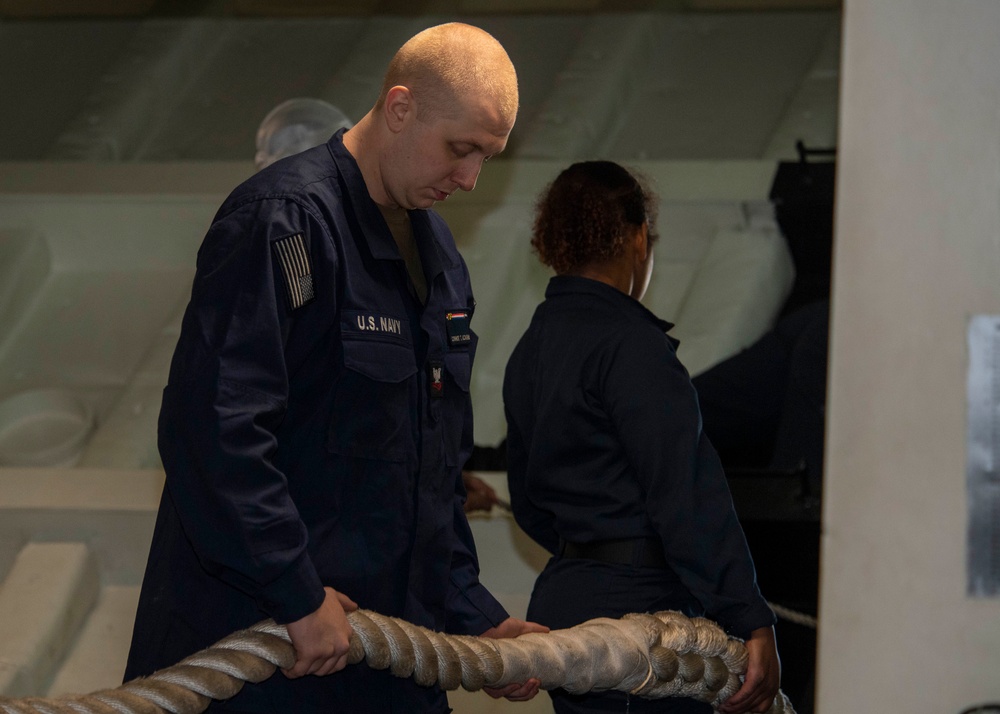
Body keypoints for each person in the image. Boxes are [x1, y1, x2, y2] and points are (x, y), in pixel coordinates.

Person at [124, 22, 547, 713]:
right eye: (460, 150)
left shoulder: (439, 262)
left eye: (487, 159)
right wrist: (295, 591)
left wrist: (477, 620)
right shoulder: (283, 223)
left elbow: (431, 476)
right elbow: (216, 432)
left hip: (390, 663)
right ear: (402, 108)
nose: (470, 179)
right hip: (265, 653)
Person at [503, 161, 781, 714]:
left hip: (565, 606)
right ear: (635, 237)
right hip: (643, 621)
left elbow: (529, 503)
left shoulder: (529, 349)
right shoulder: (634, 346)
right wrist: (752, 619)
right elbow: (687, 499)